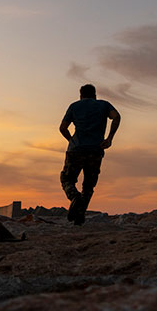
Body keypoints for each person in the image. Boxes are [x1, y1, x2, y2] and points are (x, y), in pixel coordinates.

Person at [59, 84, 120, 225]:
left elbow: (62, 128)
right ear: (95, 95)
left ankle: (75, 198)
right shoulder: (104, 105)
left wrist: (71, 140)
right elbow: (116, 117)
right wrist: (109, 138)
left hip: (76, 149)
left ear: (81, 95)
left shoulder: (74, 106)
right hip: (95, 150)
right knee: (88, 185)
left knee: (67, 179)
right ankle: (80, 215)